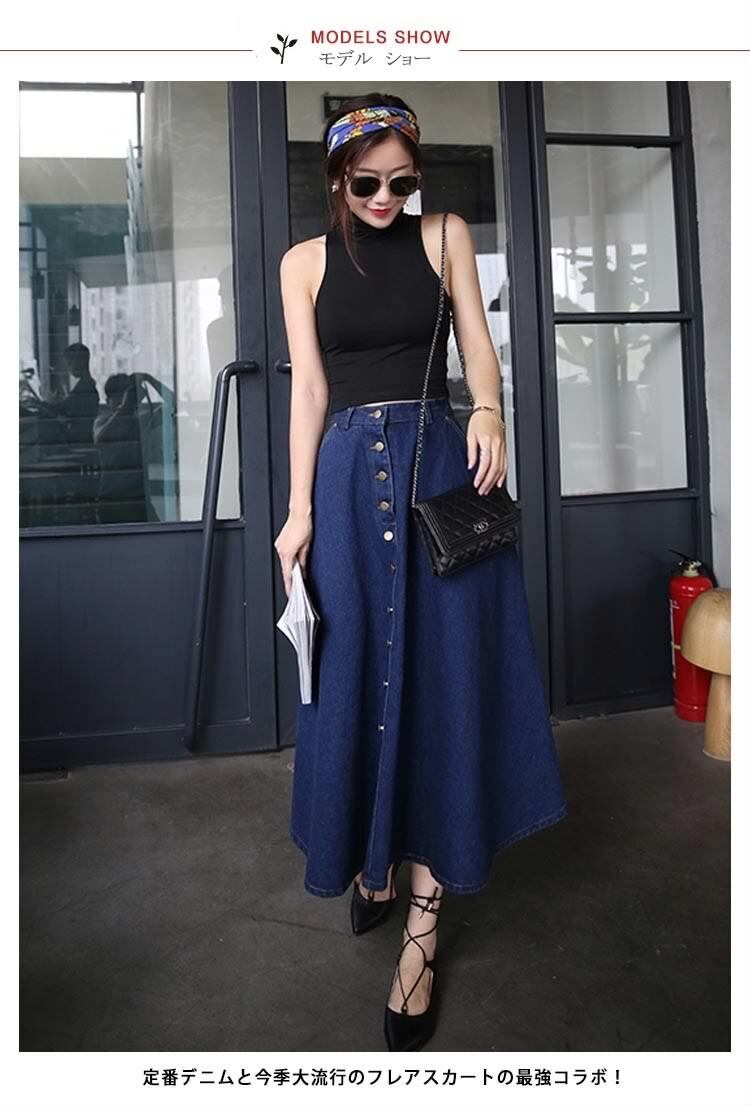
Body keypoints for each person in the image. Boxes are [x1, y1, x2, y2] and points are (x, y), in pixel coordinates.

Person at [275, 94, 568, 1052]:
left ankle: (424, 930)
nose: (386, 198)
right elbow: (311, 391)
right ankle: (375, 856)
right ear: (337, 176)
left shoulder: (445, 235)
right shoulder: (302, 263)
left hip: (439, 476)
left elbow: (478, 347)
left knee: (442, 685)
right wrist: (298, 511)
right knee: (357, 679)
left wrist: (488, 410)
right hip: (347, 490)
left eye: (403, 182)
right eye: (368, 182)